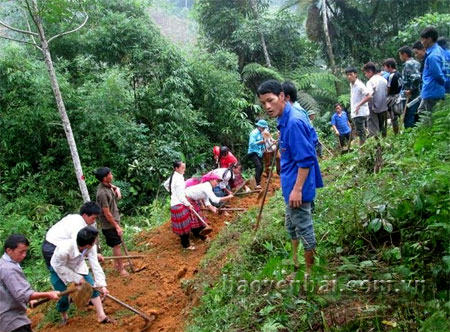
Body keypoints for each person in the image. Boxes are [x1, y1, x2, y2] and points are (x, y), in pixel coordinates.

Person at [257, 80, 323, 273]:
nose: (267, 106)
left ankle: (311, 274)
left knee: (303, 227)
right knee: (291, 225)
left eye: (271, 100)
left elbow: (306, 159)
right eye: (263, 103)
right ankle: (295, 262)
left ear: (283, 97)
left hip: (297, 186)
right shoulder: (284, 119)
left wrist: (297, 189)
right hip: (290, 183)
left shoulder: (293, 122)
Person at [50, 226, 111, 324]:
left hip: (78, 265)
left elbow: (95, 264)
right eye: (94, 240)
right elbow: (59, 267)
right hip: (59, 268)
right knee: (63, 296)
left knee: (92, 287)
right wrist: (76, 278)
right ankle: (64, 316)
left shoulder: (91, 247)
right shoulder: (64, 250)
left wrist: (102, 285)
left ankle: (101, 316)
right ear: (87, 245)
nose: (95, 242)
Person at [1, 234, 59, 332]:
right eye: (21, 252)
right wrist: (48, 294)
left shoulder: (4, 264)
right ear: (9, 251)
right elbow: (22, 294)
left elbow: (12, 289)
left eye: (25, 251)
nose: (24, 255)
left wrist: (29, 299)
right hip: (13, 322)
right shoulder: (9, 269)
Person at [42, 201, 102, 269]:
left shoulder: (75, 217)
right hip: (53, 248)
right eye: (93, 218)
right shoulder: (78, 226)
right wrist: (93, 255)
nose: (94, 221)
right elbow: (78, 247)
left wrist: (92, 255)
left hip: (49, 245)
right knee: (61, 271)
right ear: (85, 215)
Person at [94, 167, 128, 277]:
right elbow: (107, 213)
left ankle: (117, 264)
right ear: (105, 178)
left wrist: (116, 188)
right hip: (109, 224)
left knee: (116, 244)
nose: (112, 175)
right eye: (110, 174)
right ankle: (121, 269)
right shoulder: (102, 193)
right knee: (117, 245)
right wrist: (117, 227)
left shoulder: (107, 186)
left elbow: (112, 188)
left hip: (114, 220)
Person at [163, 161, 199, 250]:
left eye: (184, 167)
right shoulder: (178, 179)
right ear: (176, 168)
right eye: (182, 168)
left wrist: (172, 192)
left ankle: (187, 241)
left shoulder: (175, 175)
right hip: (179, 204)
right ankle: (186, 245)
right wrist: (188, 204)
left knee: (183, 225)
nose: (184, 169)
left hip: (175, 203)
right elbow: (180, 196)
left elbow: (166, 184)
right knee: (184, 225)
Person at [418, 27, 446, 117]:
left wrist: (443, 84)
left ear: (429, 39)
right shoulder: (438, 50)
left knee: (428, 117)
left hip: (432, 91)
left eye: (423, 40)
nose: (422, 43)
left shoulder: (433, 56)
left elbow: (438, 75)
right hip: (431, 90)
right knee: (421, 111)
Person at [361, 62, 388, 138]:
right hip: (383, 107)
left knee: (373, 129)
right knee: (382, 127)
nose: (365, 75)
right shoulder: (383, 80)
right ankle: (384, 142)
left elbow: (369, 95)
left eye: (365, 73)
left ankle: (377, 146)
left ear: (370, 71)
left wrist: (360, 104)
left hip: (373, 109)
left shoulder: (370, 82)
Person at [398, 46, 422, 128]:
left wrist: (410, 90)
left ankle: (410, 135)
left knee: (409, 117)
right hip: (417, 95)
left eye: (400, 55)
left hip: (411, 96)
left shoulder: (409, 64)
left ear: (404, 54)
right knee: (415, 116)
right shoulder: (417, 63)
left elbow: (416, 78)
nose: (400, 57)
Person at [345, 67, 370, 145]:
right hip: (356, 113)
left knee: (360, 132)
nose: (349, 77)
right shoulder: (351, 85)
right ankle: (365, 145)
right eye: (347, 75)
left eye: (351, 74)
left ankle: (363, 148)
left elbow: (368, 96)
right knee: (361, 131)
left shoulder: (359, 85)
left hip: (360, 113)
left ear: (355, 74)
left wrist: (359, 104)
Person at [383, 58, 403, 135]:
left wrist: (386, 95)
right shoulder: (399, 74)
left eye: (385, 66)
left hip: (392, 98)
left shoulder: (391, 76)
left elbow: (389, 87)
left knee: (393, 117)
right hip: (399, 96)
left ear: (390, 66)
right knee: (398, 116)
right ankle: (398, 132)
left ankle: (396, 133)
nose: (384, 69)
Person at [247, 120, 267, 189]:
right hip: (253, 152)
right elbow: (251, 144)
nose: (264, 129)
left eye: (264, 128)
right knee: (259, 167)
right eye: (263, 128)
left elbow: (263, 143)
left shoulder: (261, 133)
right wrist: (260, 142)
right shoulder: (254, 133)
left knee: (261, 168)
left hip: (259, 153)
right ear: (259, 126)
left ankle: (257, 182)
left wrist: (264, 147)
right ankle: (257, 184)